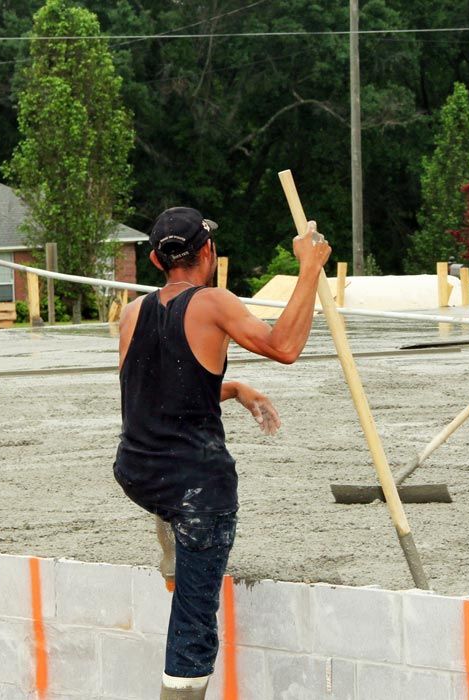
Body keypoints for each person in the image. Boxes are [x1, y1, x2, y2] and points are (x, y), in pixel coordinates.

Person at [113, 206, 331, 700]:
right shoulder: (214, 301)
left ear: (153, 260)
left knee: (174, 500)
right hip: (195, 486)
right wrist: (309, 270)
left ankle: (171, 531)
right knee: (194, 620)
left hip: (136, 471)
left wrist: (232, 388)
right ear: (207, 253)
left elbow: (157, 399)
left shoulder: (131, 314)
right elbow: (286, 346)